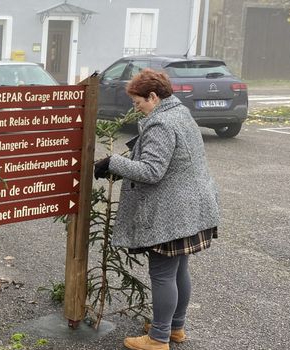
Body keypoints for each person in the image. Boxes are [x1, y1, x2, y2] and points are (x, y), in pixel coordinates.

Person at [94, 69, 220, 350]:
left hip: (171, 212)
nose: (136, 109)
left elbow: (152, 171)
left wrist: (113, 163)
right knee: (178, 271)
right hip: (192, 207)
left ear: (153, 96)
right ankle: (175, 328)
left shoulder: (161, 123)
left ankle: (158, 338)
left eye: (138, 103)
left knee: (163, 274)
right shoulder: (180, 113)